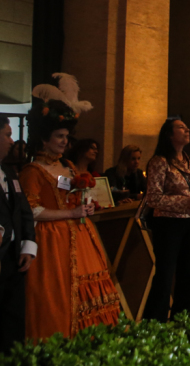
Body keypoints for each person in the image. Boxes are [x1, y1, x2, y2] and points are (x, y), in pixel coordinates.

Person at [20, 78, 120, 339]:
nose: (65, 142)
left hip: (81, 236)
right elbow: (31, 210)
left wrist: (85, 203)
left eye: (67, 137)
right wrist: (70, 214)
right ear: (44, 139)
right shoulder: (33, 171)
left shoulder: (68, 166)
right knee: (58, 297)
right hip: (51, 242)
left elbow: (73, 196)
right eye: (59, 137)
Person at [144, 117, 190, 321]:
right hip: (168, 223)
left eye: (186, 127)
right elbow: (153, 198)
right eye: (181, 128)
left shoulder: (189, 160)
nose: (187, 130)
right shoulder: (159, 161)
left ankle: (181, 320)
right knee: (165, 274)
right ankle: (155, 322)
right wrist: (186, 202)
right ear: (169, 134)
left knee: (189, 273)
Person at [0, 114, 35, 352]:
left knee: (13, 316)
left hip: (13, 256)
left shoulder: (10, 172)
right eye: (7, 135)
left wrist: (28, 246)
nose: (12, 141)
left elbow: (24, 211)